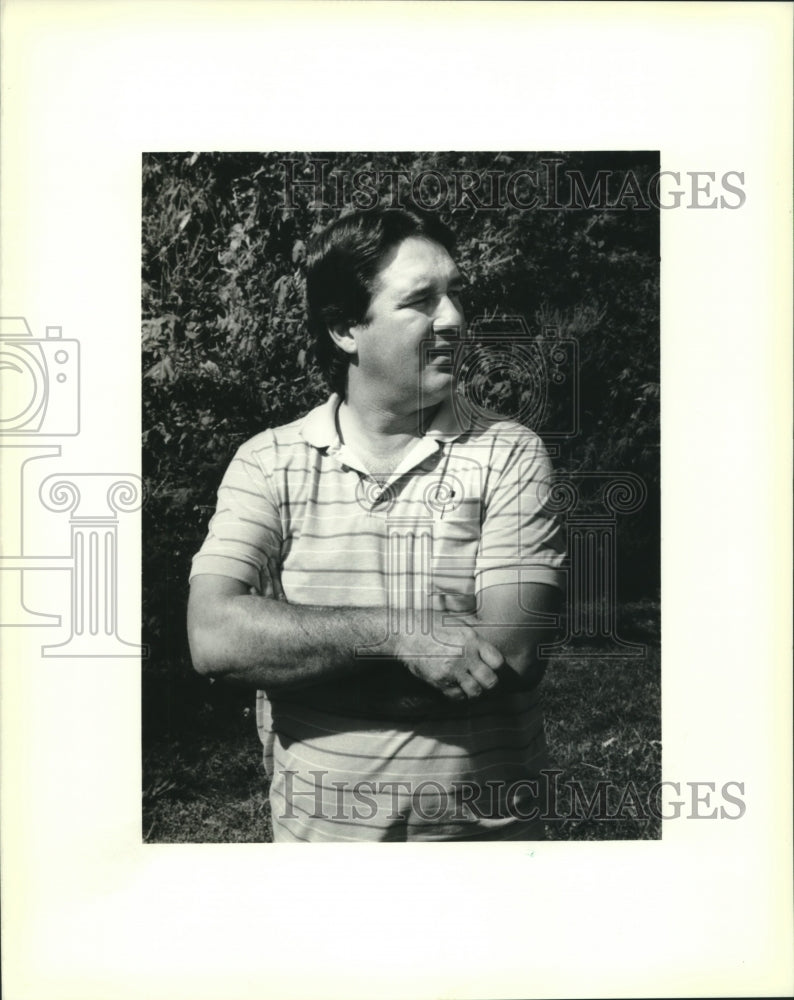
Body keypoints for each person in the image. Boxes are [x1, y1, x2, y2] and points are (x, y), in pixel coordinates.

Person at [187, 207, 566, 841]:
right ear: (344, 330)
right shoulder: (267, 460)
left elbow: (509, 656)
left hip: (485, 854)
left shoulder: (510, 452)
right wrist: (401, 635)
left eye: (456, 295)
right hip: (322, 855)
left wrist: (296, 670)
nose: (454, 318)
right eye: (421, 301)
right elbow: (213, 638)